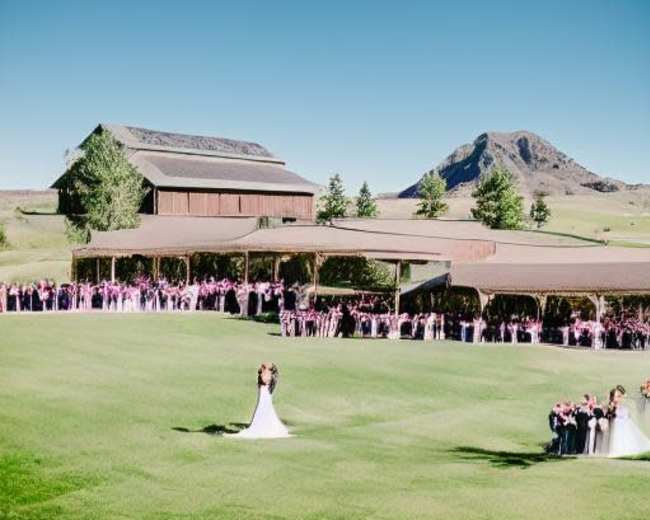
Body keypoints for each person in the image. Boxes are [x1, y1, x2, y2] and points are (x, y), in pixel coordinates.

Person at [229, 363, 290, 439]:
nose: (260, 370)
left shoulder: (268, 378)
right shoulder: (263, 379)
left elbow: (265, 380)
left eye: (264, 368)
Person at [607, 385, 650, 458]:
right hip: (619, 423)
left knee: (629, 436)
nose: (619, 398)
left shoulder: (622, 404)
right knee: (621, 438)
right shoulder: (612, 405)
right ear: (613, 397)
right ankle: (621, 450)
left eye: (619, 396)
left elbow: (626, 411)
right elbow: (611, 413)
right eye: (617, 396)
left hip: (625, 422)